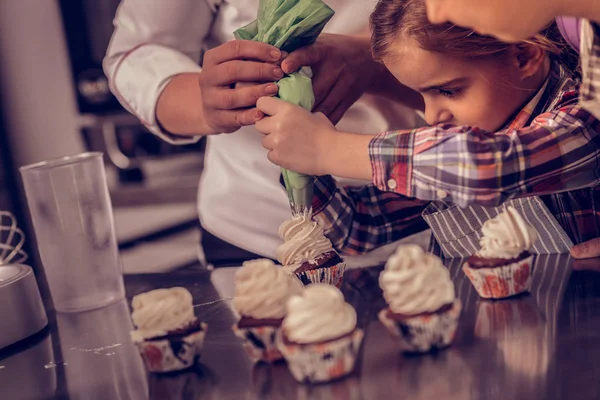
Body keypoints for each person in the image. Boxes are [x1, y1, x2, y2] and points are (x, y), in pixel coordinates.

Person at [254, 0, 600, 258]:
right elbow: (358, 227)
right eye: (420, 94)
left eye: (448, 90)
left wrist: (326, 149)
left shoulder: (580, 123)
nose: (432, 116)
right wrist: (298, 157)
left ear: (523, 55)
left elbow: (486, 168)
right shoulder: (441, 163)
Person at [103, 0, 423, 267]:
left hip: (435, 220)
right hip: (256, 234)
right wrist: (208, 102)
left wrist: (379, 55)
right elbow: (139, 50)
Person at [422, 0, 600, 260]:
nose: (435, 11)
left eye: (449, 90)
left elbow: (493, 167)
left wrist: (351, 153)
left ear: (525, 55)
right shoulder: (573, 22)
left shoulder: (573, 114)